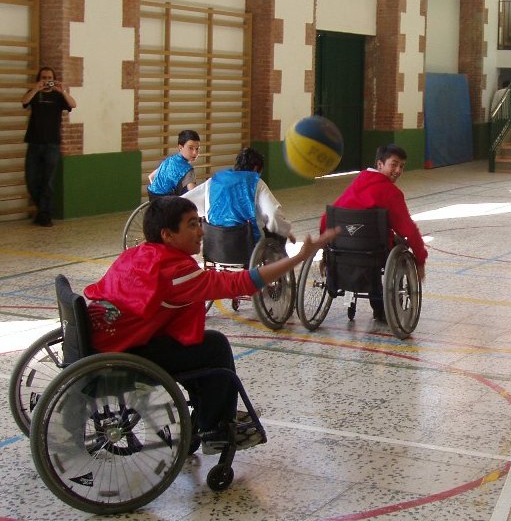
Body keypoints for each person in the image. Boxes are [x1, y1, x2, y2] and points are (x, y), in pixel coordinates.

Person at [83, 196, 337, 452]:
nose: (201, 231)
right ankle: (217, 427)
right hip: (124, 357)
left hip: (106, 343)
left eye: (199, 222)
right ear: (168, 235)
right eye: (192, 225)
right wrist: (300, 257)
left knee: (200, 347)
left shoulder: (136, 255)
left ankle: (210, 413)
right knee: (214, 347)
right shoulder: (176, 272)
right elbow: (239, 283)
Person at [319, 144, 428, 322]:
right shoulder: (391, 193)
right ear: (379, 164)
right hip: (374, 253)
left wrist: (326, 250)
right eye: (394, 164)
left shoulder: (359, 181)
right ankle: (380, 308)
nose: (398, 170)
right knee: (401, 245)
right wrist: (421, 260)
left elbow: (325, 220)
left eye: (402, 166)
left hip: (342, 250)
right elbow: (409, 229)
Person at [182, 147, 295, 243]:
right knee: (276, 232)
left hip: (214, 244)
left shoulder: (214, 180)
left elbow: (185, 203)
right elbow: (274, 214)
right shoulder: (256, 182)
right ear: (256, 168)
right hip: (246, 245)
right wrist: (285, 230)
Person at [21, 66, 77, 227]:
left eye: (49, 78)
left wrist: (63, 91)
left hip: (52, 144)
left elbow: (73, 104)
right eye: (44, 77)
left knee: (47, 180)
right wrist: (35, 89)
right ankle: (41, 210)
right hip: (34, 143)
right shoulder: (35, 94)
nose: (46, 81)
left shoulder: (58, 97)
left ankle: (45, 214)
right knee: (31, 179)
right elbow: (24, 102)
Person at [147, 129, 201, 200]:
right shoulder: (187, 169)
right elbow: (193, 192)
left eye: (197, 148)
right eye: (190, 148)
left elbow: (151, 177)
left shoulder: (169, 160)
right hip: (167, 202)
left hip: (152, 196)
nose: (195, 152)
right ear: (180, 147)